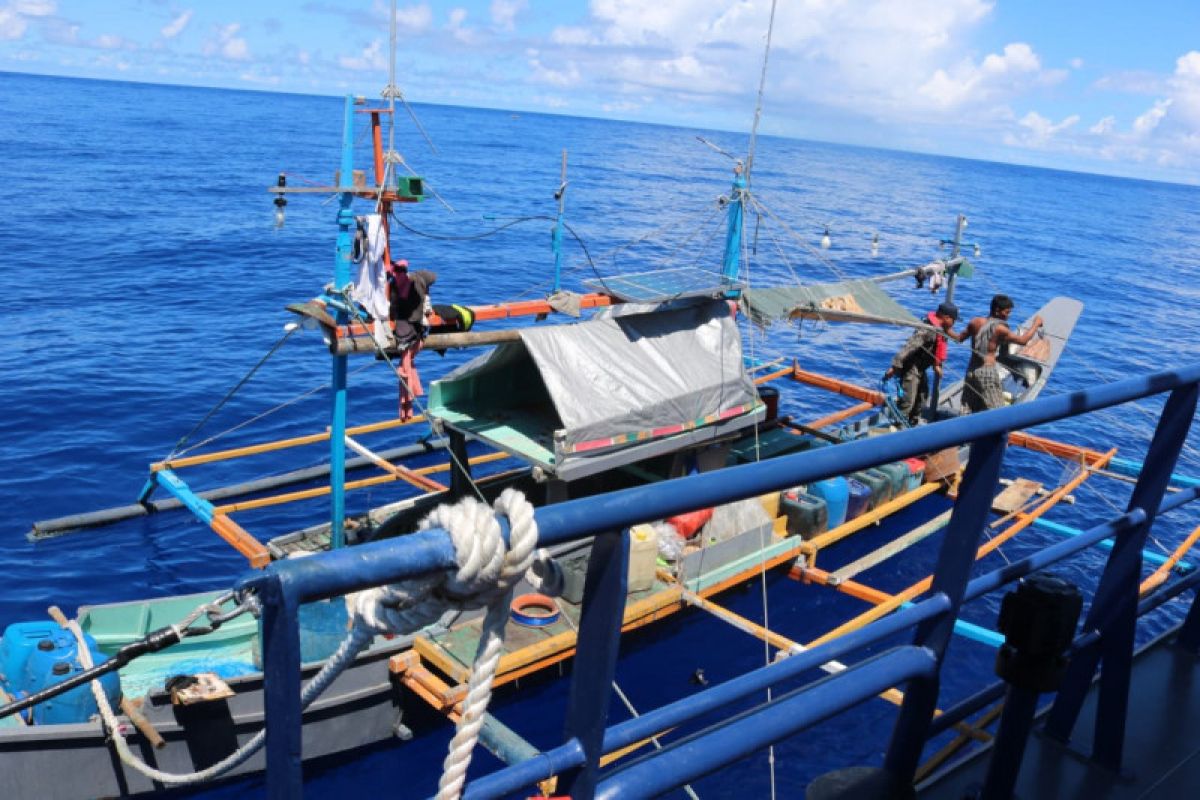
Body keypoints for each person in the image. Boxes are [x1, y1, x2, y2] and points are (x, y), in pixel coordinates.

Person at [884, 301, 963, 425]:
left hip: (920, 369)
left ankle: (913, 423)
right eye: (954, 320)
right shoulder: (927, 329)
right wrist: (894, 367)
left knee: (922, 397)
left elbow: (950, 336)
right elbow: (909, 346)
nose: (954, 324)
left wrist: (937, 364)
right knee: (907, 401)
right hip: (911, 368)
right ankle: (897, 428)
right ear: (946, 318)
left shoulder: (940, 328)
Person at [960, 294, 1043, 413]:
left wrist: (944, 329)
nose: (1008, 316)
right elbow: (1023, 340)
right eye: (1007, 312)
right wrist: (1036, 324)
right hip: (987, 372)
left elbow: (959, 338)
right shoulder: (1000, 329)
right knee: (998, 412)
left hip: (971, 371)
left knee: (967, 409)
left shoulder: (975, 322)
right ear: (997, 310)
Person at [387, 259, 437, 421]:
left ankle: (406, 406)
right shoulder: (417, 282)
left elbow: (394, 308)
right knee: (407, 359)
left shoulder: (396, 284)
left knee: (406, 360)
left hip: (404, 328)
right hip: (412, 328)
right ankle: (407, 405)